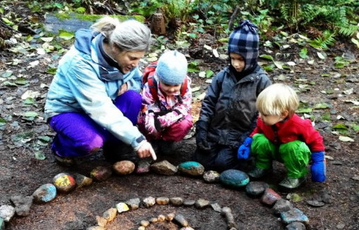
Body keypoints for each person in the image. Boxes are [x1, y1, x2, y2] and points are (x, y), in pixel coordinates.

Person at [44, 16, 156, 166]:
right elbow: (100, 108)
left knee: (133, 98)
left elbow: (136, 82)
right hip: (68, 110)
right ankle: (61, 147)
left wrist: (128, 86)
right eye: (133, 58)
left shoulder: (125, 58)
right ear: (115, 46)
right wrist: (137, 140)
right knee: (91, 141)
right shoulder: (80, 62)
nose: (136, 64)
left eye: (139, 58)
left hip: (104, 106)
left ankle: (114, 148)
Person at [193, 20, 272, 172]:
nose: (236, 63)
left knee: (223, 164)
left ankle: (251, 160)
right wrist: (202, 127)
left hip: (239, 135)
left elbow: (262, 114)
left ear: (251, 56)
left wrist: (247, 137)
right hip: (216, 131)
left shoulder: (261, 81)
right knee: (202, 161)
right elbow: (209, 102)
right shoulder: (223, 76)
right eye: (233, 58)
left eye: (241, 59)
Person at [237, 83, 326, 190]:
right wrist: (247, 143)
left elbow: (315, 140)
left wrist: (318, 161)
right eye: (259, 112)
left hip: (291, 154)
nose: (260, 116)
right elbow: (258, 130)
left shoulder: (299, 124)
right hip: (275, 149)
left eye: (264, 114)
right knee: (259, 140)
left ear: (283, 114)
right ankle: (263, 166)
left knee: (294, 147)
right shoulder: (264, 121)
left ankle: (296, 176)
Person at [137, 50, 193, 155]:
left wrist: (165, 120)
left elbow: (184, 106)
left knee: (186, 122)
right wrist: (152, 122)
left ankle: (167, 141)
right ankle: (152, 140)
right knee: (143, 121)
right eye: (167, 85)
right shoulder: (151, 85)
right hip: (156, 113)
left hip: (174, 115)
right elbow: (146, 106)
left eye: (176, 85)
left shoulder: (185, 87)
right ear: (159, 78)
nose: (171, 89)